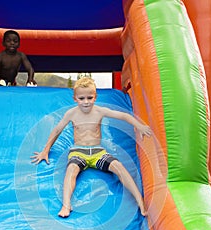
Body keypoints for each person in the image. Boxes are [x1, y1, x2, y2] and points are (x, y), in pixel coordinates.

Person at [31, 77, 152, 217]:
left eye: (90, 97)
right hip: (78, 152)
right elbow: (57, 130)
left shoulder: (99, 111)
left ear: (95, 97)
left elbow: (124, 116)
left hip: (97, 152)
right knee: (71, 170)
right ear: (75, 98)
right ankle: (66, 205)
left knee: (119, 167)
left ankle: (140, 202)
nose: (86, 102)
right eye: (82, 98)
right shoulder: (71, 113)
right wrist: (45, 150)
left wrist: (139, 126)